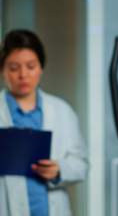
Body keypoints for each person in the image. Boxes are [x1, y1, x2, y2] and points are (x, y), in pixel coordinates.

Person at [0, 30, 89, 216]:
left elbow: (81, 164)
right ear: (3, 70)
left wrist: (59, 169)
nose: (23, 75)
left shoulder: (61, 111)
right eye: (14, 68)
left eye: (31, 66)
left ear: (41, 67)